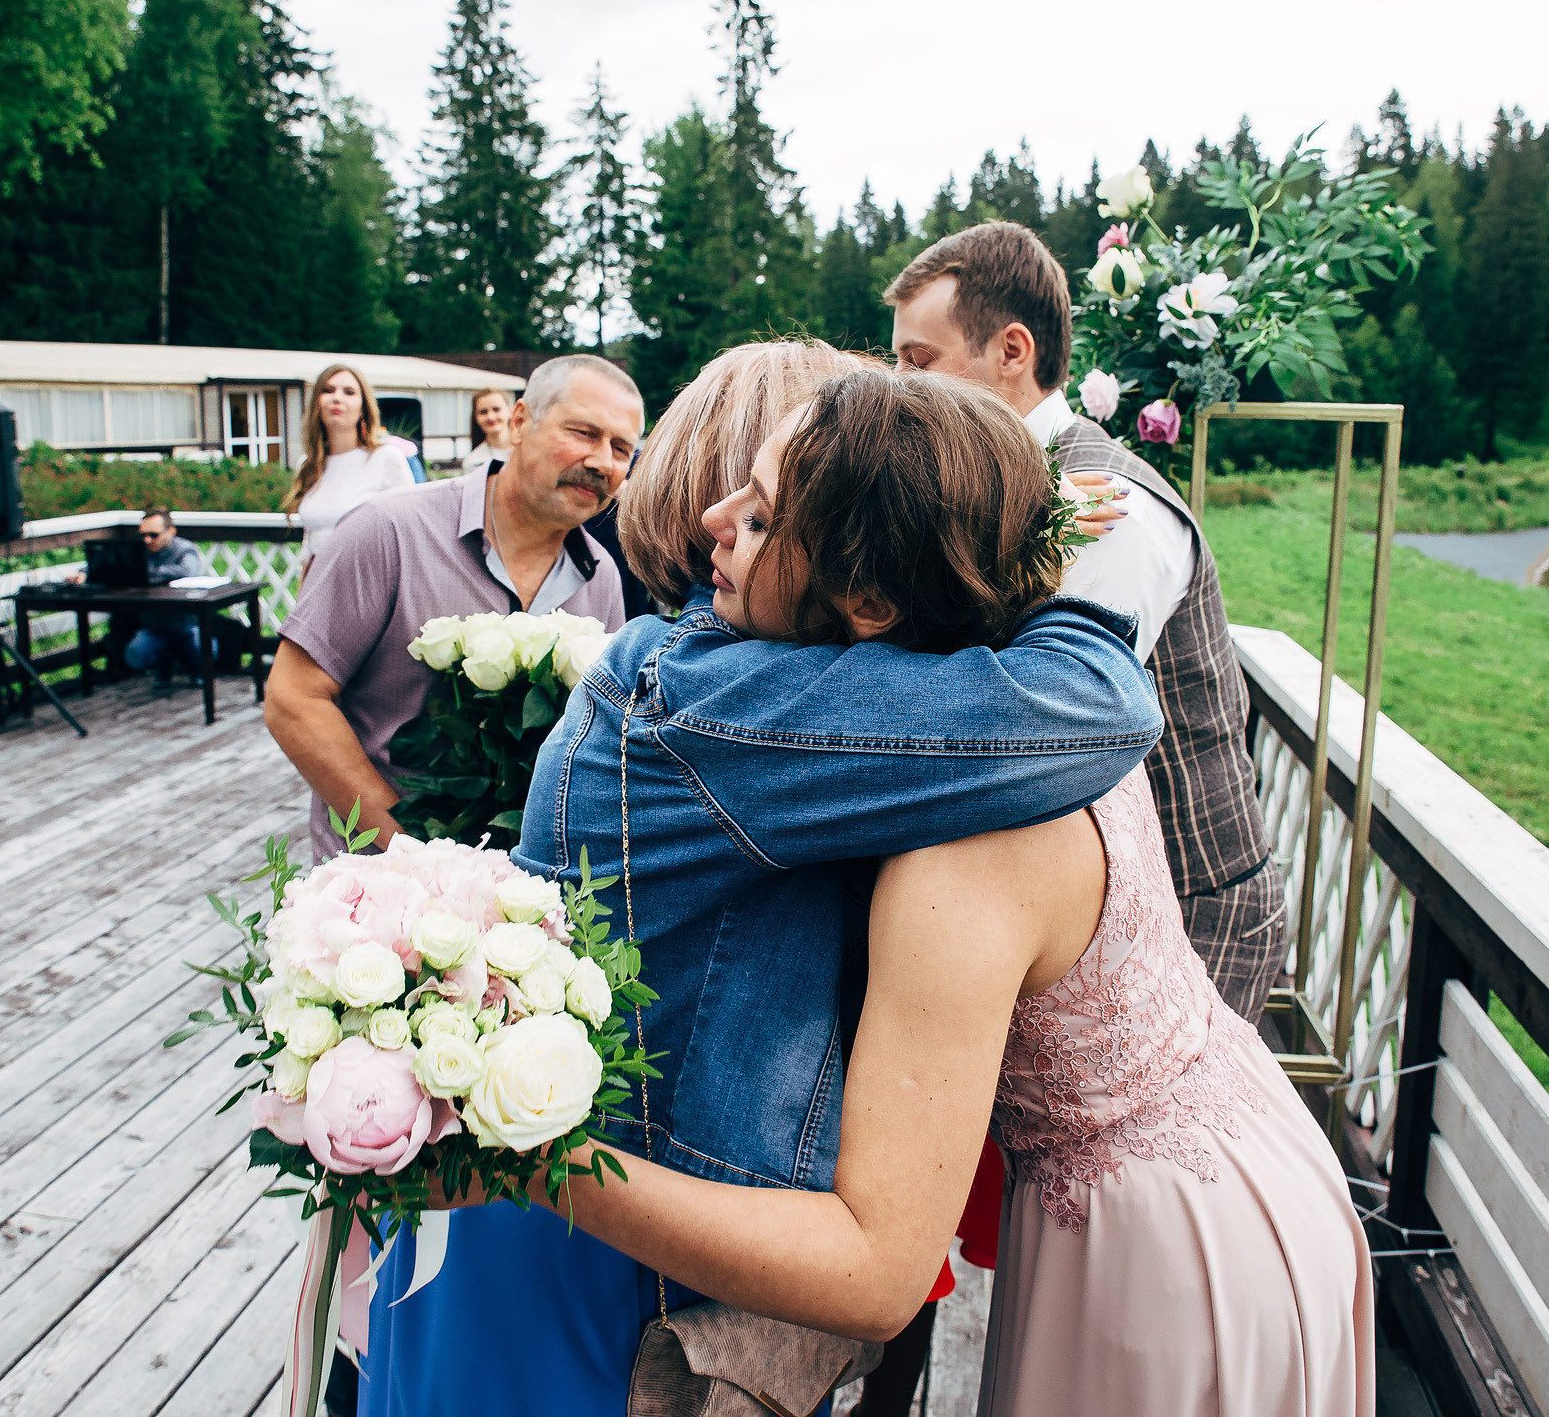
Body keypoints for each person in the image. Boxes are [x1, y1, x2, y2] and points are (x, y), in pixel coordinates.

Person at [483, 367, 1374, 1416]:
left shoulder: (961, 817)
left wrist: (517, 1155)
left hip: (1163, 1245)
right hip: (1252, 1150)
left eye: (762, 513)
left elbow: (873, 1268)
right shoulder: (1000, 718)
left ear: (871, 601)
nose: (711, 521)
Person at [356, 344, 1159, 1417]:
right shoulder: (710, 700)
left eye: (772, 508)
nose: (713, 522)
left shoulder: (742, 686)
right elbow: (1097, 702)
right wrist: (1034, 564)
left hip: (582, 1208)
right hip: (619, 1245)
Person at [887, 221, 1287, 1024]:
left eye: (918, 361)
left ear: (1012, 350)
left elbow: (1055, 723)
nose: (899, 385)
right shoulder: (994, 487)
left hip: (1189, 913)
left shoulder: (1110, 505)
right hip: (1082, 917)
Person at [266, 354, 640, 863]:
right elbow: (293, 699)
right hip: (373, 890)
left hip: (522, 902)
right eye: (583, 433)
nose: (602, 461)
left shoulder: (602, 580)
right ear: (519, 422)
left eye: (621, 448)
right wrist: (417, 856)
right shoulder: (389, 532)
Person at [287, 365, 415, 578]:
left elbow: (410, 532)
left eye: (349, 392)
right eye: (327, 390)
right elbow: (310, 543)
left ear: (363, 406)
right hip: (318, 582)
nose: (337, 398)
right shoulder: (308, 465)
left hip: (369, 582)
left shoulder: (386, 458)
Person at [123, 506, 212, 688]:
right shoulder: (138, 549)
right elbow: (110, 565)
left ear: (171, 532)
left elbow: (188, 571)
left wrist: (150, 573)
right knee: (134, 655)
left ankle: (195, 669)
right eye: (143, 535)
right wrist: (83, 573)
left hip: (185, 624)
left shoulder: (185, 549)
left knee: (202, 648)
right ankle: (165, 664)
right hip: (154, 626)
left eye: (153, 535)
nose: (147, 540)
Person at [459, 386, 513, 472]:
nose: (490, 417)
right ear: (476, 417)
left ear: (510, 411)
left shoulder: (528, 449)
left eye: (496, 409)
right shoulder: (473, 462)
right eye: (483, 412)